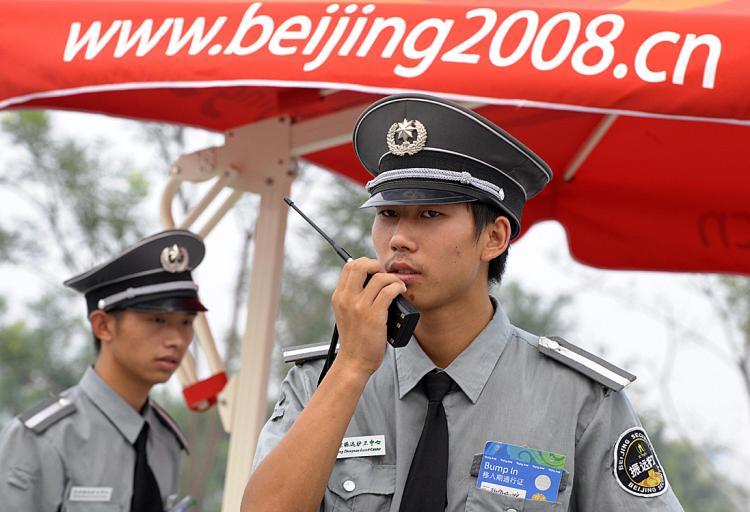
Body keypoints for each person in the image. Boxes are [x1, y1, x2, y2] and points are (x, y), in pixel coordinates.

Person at [242, 94, 684, 512]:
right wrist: (353, 367)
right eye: (387, 214)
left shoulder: (579, 399)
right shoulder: (321, 382)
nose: (398, 239)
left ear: (494, 237)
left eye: (430, 215)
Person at [0, 229, 207, 511]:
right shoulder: (44, 439)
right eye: (158, 319)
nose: (177, 340)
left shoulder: (165, 440)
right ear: (102, 325)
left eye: (186, 322)